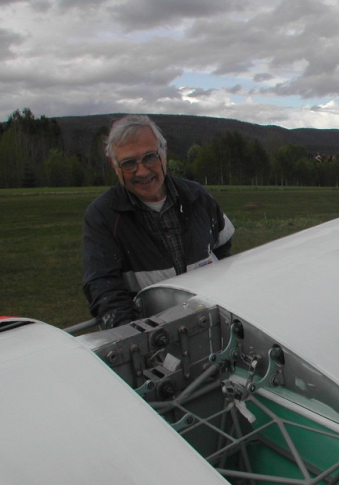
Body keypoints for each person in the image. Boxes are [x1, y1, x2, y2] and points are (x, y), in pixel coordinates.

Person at [82, 115, 235, 329]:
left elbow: (224, 249)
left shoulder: (198, 197)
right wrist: (138, 338)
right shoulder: (103, 216)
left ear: (164, 152)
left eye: (150, 157)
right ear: (113, 164)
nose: (142, 171)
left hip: (211, 326)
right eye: (128, 163)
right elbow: (104, 290)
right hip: (153, 336)